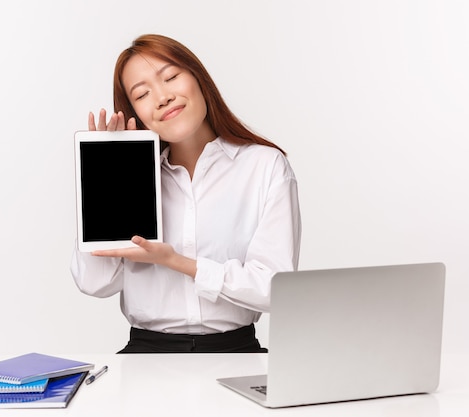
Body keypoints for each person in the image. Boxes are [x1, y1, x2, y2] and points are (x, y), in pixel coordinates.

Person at [71, 34, 301, 353]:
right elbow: (93, 283)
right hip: (145, 358)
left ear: (198, 78)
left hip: (237, 353)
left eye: (171, 77)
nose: (162, 97)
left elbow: (275, 290)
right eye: (142, 94)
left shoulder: (264, 166)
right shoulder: (132, 181)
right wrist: (104, 182)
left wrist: (178, 262)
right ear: (133, 110)